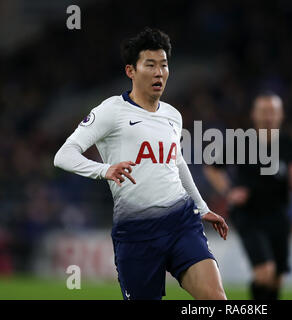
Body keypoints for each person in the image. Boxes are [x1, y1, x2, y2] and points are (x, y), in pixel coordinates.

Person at [54, 27, 228, 300]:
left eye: (164, 65)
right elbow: (64, 155)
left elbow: (177, 163)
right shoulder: (111, 110)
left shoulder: (173, 115)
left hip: (182, 223)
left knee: (216, 298)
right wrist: (104, 170)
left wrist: (202, 207)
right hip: (137, 235)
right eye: (150, 65)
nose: (159, 72)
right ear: (131, 71)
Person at [204, 92, 292, 300]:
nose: (268, 116)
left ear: (281, 115)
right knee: (265, 272)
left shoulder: (289, 144)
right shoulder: (242, 141)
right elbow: (212, 169)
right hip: (249, 214)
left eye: (272, 111)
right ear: (254, 114)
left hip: (278, 214)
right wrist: (229, 191)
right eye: (263, 111)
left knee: (277, 278)